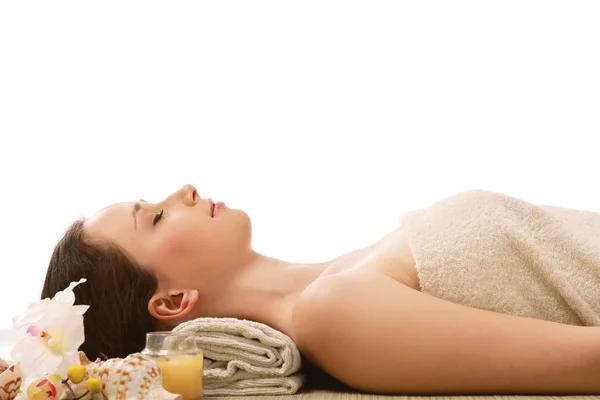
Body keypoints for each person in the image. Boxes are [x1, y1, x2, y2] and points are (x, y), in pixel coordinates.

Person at [42, 184, 600, 395]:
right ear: (170, 303)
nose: (183, 189)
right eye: (157, 218)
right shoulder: (333, 313)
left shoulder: (341, 280)